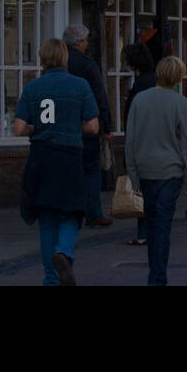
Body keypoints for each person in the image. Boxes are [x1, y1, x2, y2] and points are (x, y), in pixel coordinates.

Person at [14, 38, 99, 286]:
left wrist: (37, 127)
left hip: (41, 157)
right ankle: (64, 252)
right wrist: (72, 124)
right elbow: (93, 126)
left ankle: (51, 279)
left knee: (47, 219)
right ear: (64, 57)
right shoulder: (80, 85)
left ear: (42, 58)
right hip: (69, 157)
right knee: (72, 212)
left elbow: (19, 128)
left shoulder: (33, 87)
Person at [124, 55, 187, 286]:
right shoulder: (181, 104)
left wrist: (133, 177)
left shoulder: (139, 100)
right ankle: (157, 278)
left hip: (145, 170)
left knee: (151, 224)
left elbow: (130, 141)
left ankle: (155, 275)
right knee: (162, 227)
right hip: (170, 172)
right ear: (177, 78)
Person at [63, 24, 114, 226]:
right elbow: (100, 94)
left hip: (62, 124)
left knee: (69, 169)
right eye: (85, 41)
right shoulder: (86, 64)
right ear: (79, 43)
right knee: (92, 169)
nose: (86, 44)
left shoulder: (59, 62)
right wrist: (107, 125)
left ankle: (69, 209)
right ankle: (93, 213)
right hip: (87, 123)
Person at [120, 38, 159, 246]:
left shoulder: (141, 84)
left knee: (142, 187)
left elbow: (134, 116)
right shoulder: (154, 80)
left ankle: (144, 232)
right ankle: (151, 230)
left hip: (143, 141)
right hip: (158, 140)